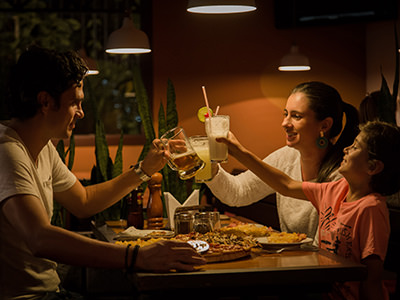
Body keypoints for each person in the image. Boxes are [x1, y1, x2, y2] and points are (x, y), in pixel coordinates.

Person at [0, 46, 205, 299]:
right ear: (45, 101)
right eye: (75, 102)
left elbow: (84, 202)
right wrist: (137, 257)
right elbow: (39, 238)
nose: (81, 112)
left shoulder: (43, 147)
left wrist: (144, 170)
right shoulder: (7, 151)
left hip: (52, 290)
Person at [218, 120, 400, 300]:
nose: (346, 149)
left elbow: (373, 278)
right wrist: (238, 151)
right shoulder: (336, 189)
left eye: (355, 147)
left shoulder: (371, 209)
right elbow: (286, 185)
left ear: (372, 167)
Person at [207, 81, 359, 243]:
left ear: (325, 125)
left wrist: (240, 152)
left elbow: (325, 246)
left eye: (296, 116)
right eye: (285, 114)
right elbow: (238, 193)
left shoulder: (341, 173)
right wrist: (207, 165)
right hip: (289, 258)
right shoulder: (286, 157)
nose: (285, 123)